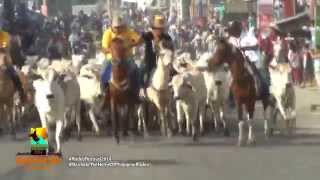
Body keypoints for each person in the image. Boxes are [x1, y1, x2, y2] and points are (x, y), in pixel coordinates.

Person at [101, 15, 142, 89]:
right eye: (116, 27)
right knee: (103, 73)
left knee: (135, 70)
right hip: (111, 58)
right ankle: (103, 93)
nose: (118, 29)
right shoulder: (108, 33)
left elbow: (138, 40)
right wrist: (114, 50)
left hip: (127, 57)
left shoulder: (128, 31)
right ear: (112, 26)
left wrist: (132, 44)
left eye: (119, 27)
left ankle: (136, 91)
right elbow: (104, 48)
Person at [139, 15, 174, 97]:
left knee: (174, 74)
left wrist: (171, 58)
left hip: (164, 63)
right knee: (141, 71)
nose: (160, 30)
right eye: (158, 28)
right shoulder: (148, 35)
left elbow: (172, 49)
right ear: (154, 28)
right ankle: (142, 90)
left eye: (161, 28)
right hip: (149, 62)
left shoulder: (167, 37)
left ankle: (173, 92)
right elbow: (139, 41)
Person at [0, 30, 25, 102]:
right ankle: (21, 93)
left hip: (4, 61)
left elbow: (7, 47)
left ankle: (21, 93)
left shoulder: (4, 35)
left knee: (14, 75)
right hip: (3, 61)